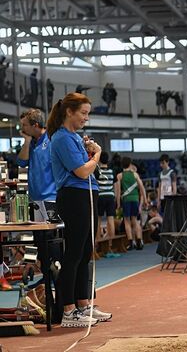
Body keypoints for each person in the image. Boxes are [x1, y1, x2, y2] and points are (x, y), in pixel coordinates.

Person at [47, 93, 112, 327]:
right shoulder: (62, 138)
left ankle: (83, 305)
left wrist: (89, 152)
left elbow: (85, 169)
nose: (86, 118)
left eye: (87, 113)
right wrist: (97, 154)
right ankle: (68, 310)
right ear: (69, 112)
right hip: (73, 196)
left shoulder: (73, 137)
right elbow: (82, 172)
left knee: (84, 253)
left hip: (86, 194)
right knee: (73, 254)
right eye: (83, 113)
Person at [17, 108, 57, 221]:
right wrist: (27, 141)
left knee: (50, 236)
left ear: (35, 125)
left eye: (24, 125)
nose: (22, 128)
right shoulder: (31, 142)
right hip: (34, 198)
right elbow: (21, 163)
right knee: (38, 236)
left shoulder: (51, 140)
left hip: (50, 197)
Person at [115, 156, 147, 251]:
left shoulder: (119, 176)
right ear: (130, 164)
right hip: (135, 199)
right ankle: (139, 241)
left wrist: (118, 203)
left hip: (126, 199)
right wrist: (145, 199)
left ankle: (130, 242)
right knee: (135, 220)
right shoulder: (135, 175)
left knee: (127, 221)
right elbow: (141, 187)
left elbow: (118, 191)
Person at [95, 152, 119, 258]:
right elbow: (115, 185)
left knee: (99, 220)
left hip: (100, 196)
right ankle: (110, 244)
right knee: (110, 220)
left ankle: (98, 243)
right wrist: (117, 198)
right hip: (110, 196)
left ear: (99, 160)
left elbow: (95, 183)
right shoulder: (112, 171)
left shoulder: (97, 171)